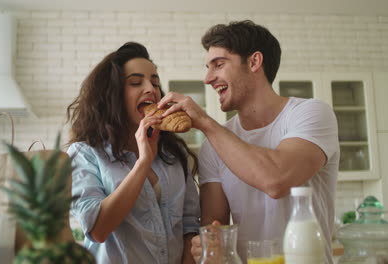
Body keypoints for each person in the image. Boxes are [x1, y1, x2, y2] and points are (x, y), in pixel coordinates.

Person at [158, 20, 339, 263]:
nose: (208, 78)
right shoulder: (212, 145)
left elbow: (276, 180)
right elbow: (215, 227)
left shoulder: (310, 113)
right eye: (208, 67)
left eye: (219, 65)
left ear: (254, 62)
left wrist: (205, 122)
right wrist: (207, 245)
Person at [66, 42, 200, 264]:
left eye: (155, 82)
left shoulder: (174, 153)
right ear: (113, 94)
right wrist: (143, 162)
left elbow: (189, 225)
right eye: (136, 82)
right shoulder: (85, 153)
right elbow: (98, 229)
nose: (151, 89)